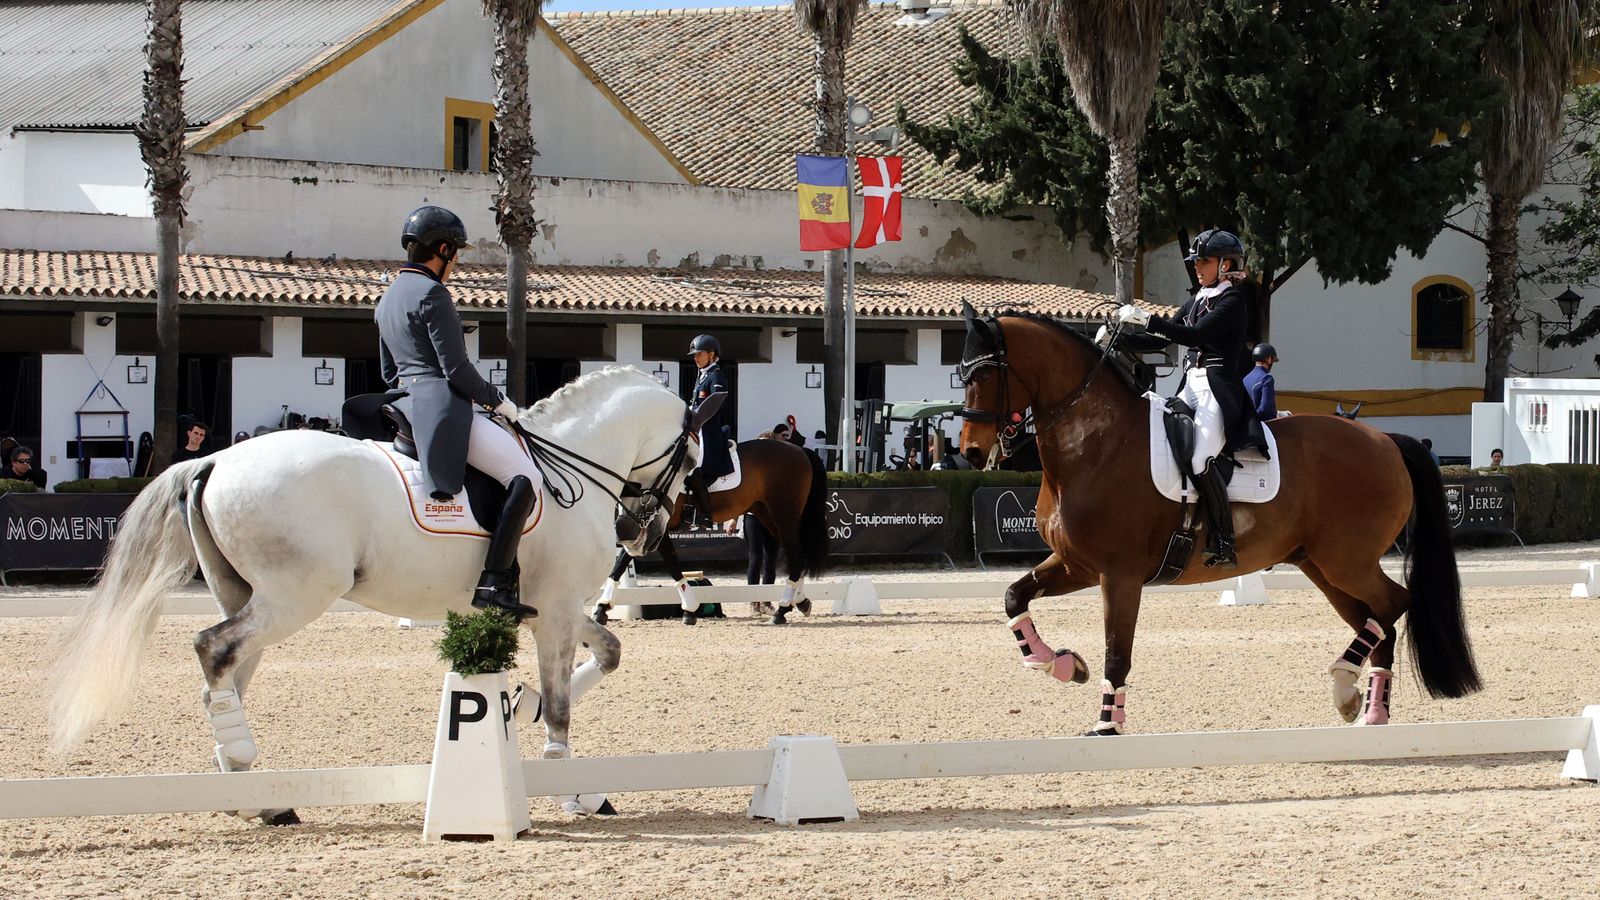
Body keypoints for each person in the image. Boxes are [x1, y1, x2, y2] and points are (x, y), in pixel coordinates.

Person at [376, 205, 541, 620]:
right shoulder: (433, 294)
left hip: (405, 402)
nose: (457, 263)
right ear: (444, 249)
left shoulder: (387, 298)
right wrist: (497, 401)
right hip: (441, 405)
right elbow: (456, 370)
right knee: (524, 478)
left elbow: (387, 370)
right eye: (457, 254)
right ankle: (494, 582)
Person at [1112, 228, 1269, 568]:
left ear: (1226, 264)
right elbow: (1160, 340)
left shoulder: (1233, 301)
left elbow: (1195, 334)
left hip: (1216, 388)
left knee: (1200, 459)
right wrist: (1119, 339)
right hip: (1188, 387)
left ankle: (1224, 540)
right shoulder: (1197, 298)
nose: (1197, 267)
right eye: (1196, 261)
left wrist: (1149, 319)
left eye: (1204, 261)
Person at [686, 334, 733, 526]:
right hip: (697, 430)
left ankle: (706, 514)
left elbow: (715, 404)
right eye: (694, 355)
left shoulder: (716, 376)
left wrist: (695, 414)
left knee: (692, 468)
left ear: (711, 354)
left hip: (708, 433)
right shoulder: (702, 376)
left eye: (699, 354)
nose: (695, 358)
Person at [1243, 343, 1279, 421]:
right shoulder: (1266, 378)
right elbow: (1264, 409)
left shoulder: (1245, 379)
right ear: (1269, 359)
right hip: (1263, 424)